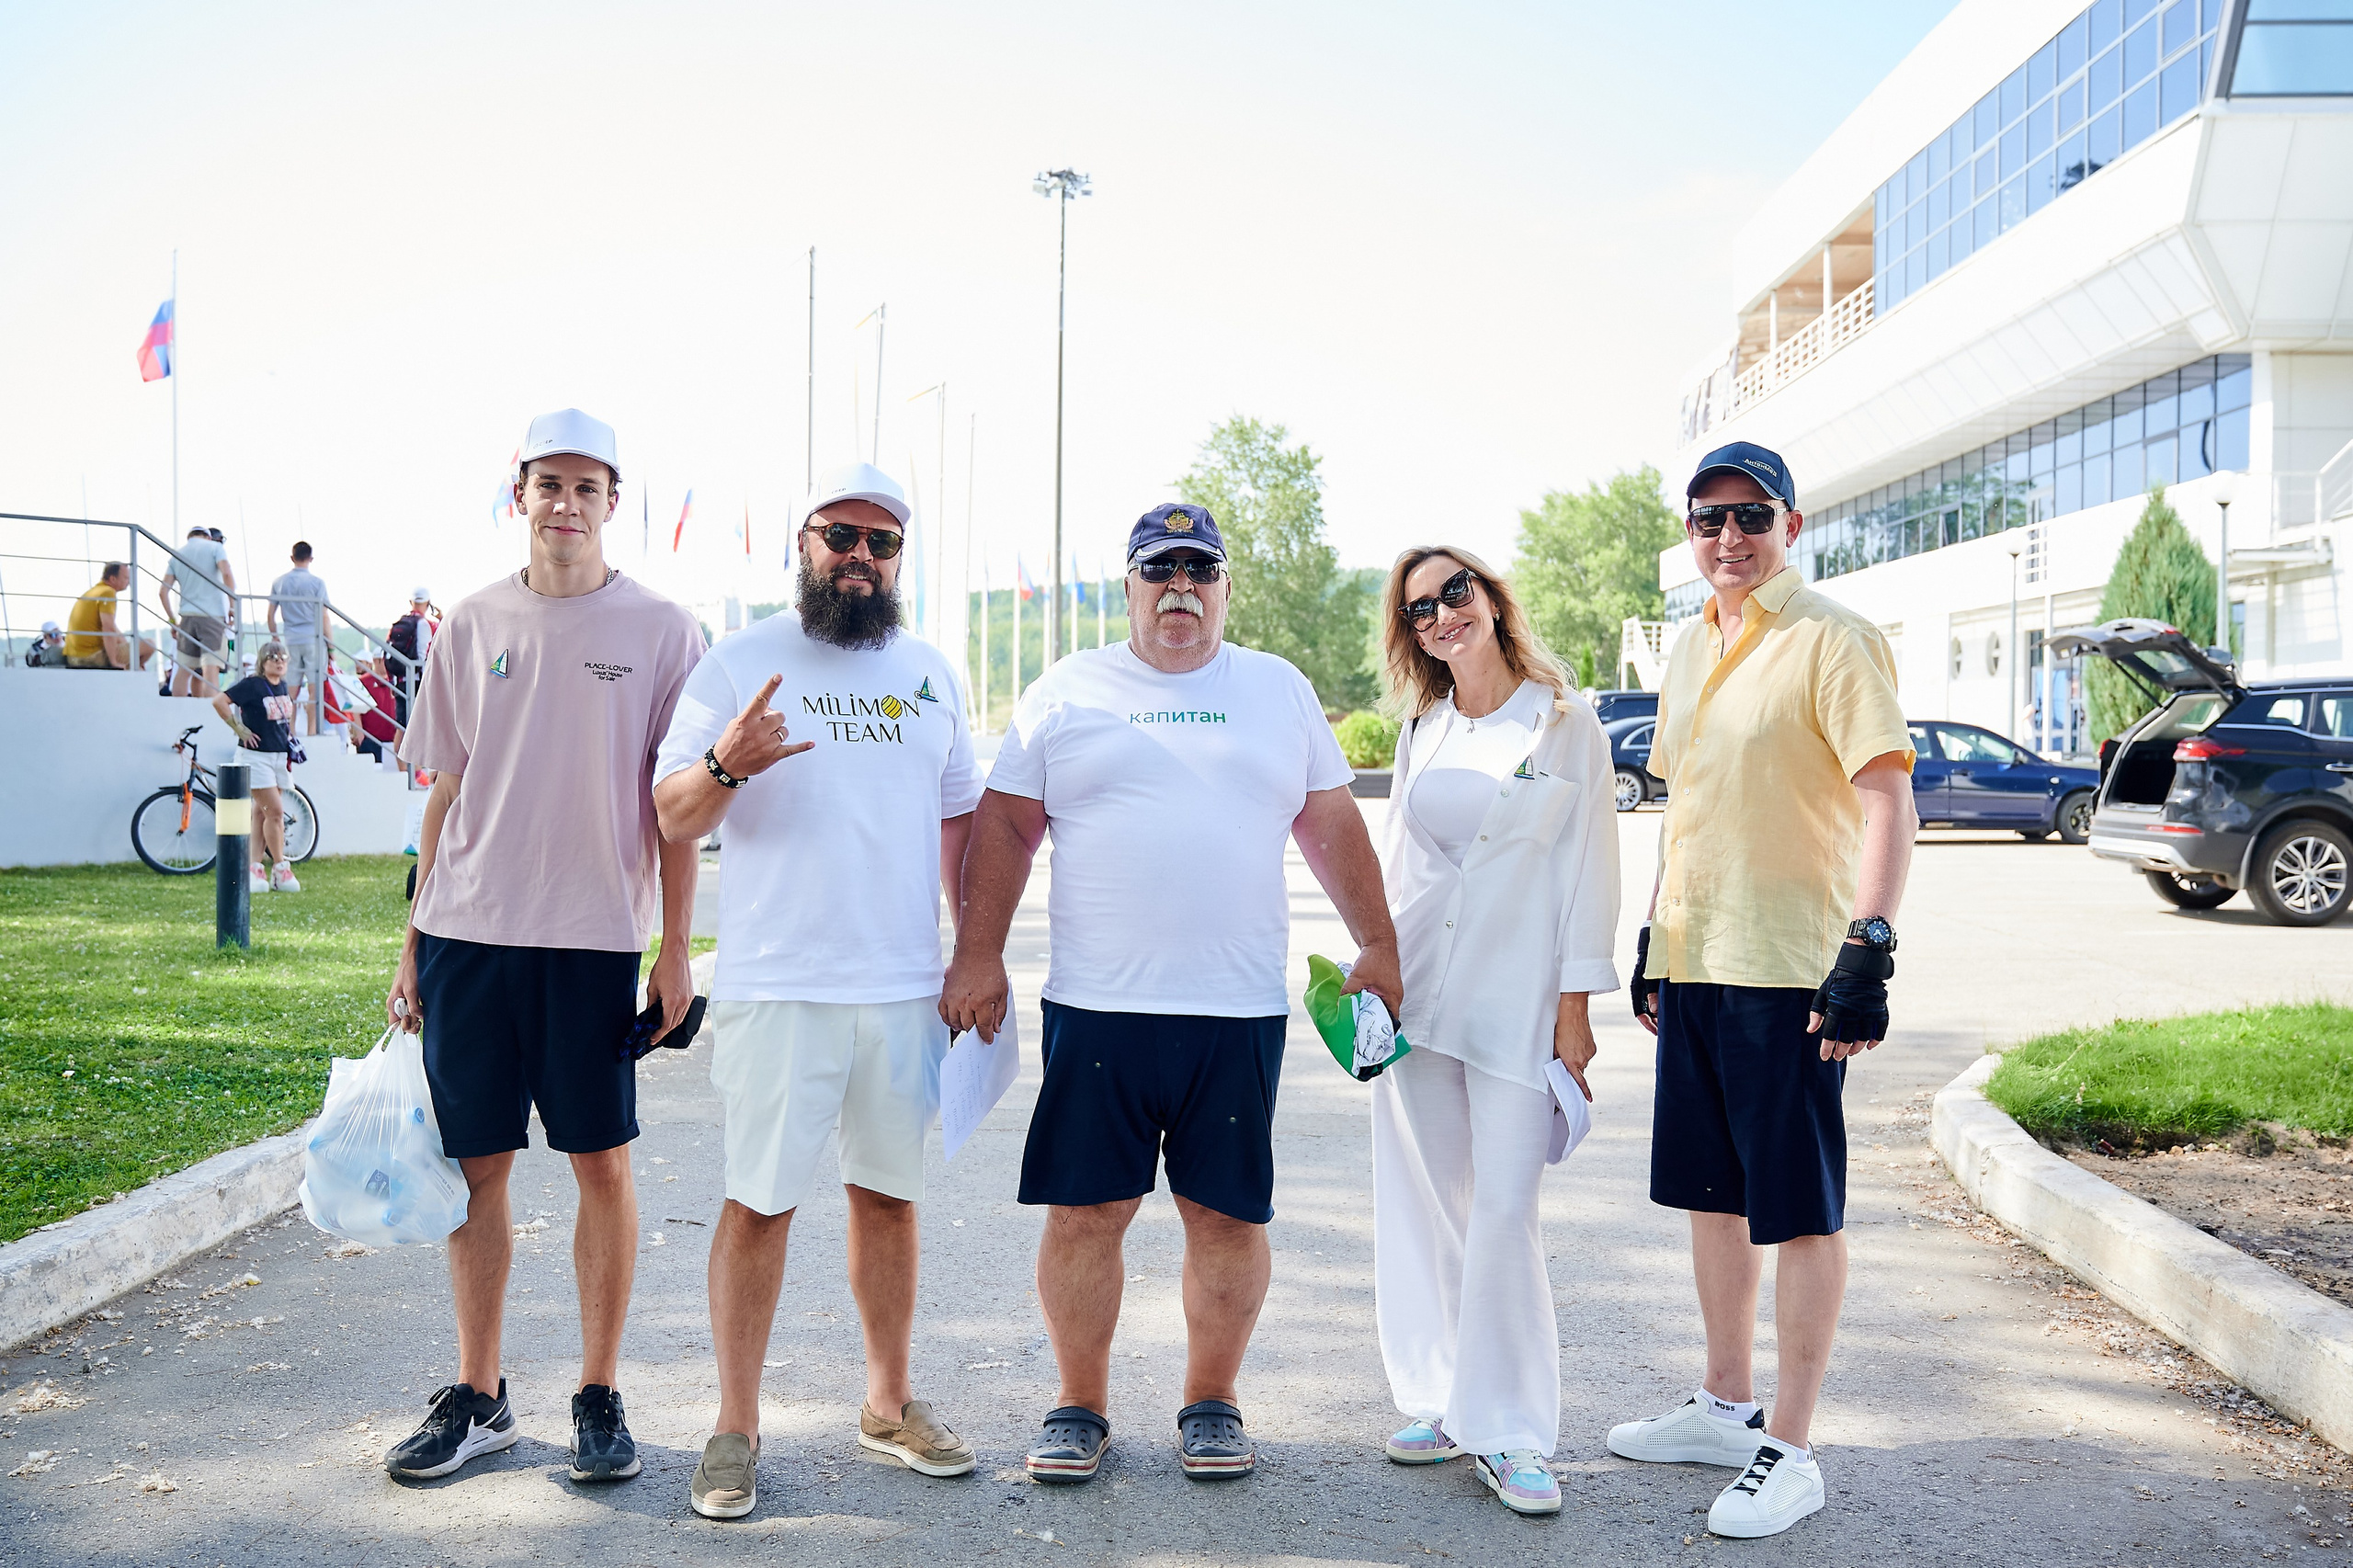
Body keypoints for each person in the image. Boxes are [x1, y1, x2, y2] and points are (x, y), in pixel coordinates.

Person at [941, 502, 1403, 1486]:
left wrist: (1377, 941)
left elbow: (1328, 825)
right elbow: (1006, 828)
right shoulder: (1066, 690)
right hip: (1097, 1005)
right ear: (1130, 586)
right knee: (1082, 1213)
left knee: (1225, 1216)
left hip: (1233, 1010)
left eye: (1200, 569)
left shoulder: (1277, 690)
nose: (1180, 586)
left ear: (1227, 587)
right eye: (1160, 569)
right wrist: (976, 951)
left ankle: (1212, 1400)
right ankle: (1079, 1403)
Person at [652, 461, 985, 1520]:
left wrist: (975, 953)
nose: (859, 556)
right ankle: (734, 1425)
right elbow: (669, 812)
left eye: (881, 542)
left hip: (899, 988)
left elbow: (961, 828)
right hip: (777, 984)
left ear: (900, 561)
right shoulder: (741, 659)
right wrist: (727, 760)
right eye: (840, 535)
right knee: (759, 1201)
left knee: (888, 1199)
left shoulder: (933, 671)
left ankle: (886, 1403)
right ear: (802, 543)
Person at [381, 408, 704, 1487]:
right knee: (478, 1168)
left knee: (600, 1163)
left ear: (614, 501)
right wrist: (411, 939)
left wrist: (674, 949)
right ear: (516, 492)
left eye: (586, 485)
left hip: (593, 941)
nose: (565, 503)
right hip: (470, 931)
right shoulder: (468, 622)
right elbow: (444, 791)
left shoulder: (664, 629)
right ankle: (481, 1396)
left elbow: (678, 810)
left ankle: (598, 1393)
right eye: (547, 483)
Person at [1606, 441, 1915, 1540]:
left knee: (1794, 1205)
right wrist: (1654, 932)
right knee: (1712, 1194)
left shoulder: (1833, 637)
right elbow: (1690, 804)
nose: (1727, 537)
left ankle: (1789, 1446)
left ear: (1791, 519)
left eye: (1749, 515)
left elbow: (1887, 801)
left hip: (1789, 966)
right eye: (1707, 519)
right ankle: (1726, 1405)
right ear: (1688, 534)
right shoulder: (1694, 643)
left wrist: (1867, 947)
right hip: (1698, 957)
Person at [1369, 546, 1619, 1517]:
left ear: (1491, 597)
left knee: (1503, 1211)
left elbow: (1590, 873)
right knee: (1431, 1202)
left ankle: (1509, 1426)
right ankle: (1443, 1398)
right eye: (1419, 606)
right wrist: (1374, 973)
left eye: (1454, 591)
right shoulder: (1421, 724)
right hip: (1420, 997)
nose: (1440, 615)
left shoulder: (1565, 725)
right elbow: (1401, 867)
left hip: (1517, 1001)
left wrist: (1575, 1009)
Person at [211, 641, 301, 892]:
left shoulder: (282, 685)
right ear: (263, 661)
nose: (279, 661)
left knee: (261, 812)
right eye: (273, 657)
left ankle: (255, 867)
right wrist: (238, 728)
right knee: (274, 811)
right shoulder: (252, 685)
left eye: (283, 657)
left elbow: (286, 718)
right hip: (256, 757)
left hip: (278, 755)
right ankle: (281, 866)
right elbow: (220, 701)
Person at [159, 526, 235, 697]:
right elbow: (227, 574)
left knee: (184, 670)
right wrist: (232, 606)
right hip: (211, 617)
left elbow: (163, 592)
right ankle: (210, 714)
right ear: (208, 537)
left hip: (186, 617)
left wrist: (172, 621)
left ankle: (180, 714)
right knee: (211, 670)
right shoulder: (216, 548)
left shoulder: (177, 554)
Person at [268, 541, 331, 735]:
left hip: (290, 640)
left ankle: (290, 732)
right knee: (314, 691)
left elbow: (270, 615)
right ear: (311, 558)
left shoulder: (279, 582)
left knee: (290, 691)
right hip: (313, 638)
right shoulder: (317, 583)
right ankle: (313, 732)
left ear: (292, 557)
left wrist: (275, 637)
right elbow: (324, 615)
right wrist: (331, 647)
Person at [62, 563, 156, 671]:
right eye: (126, 578)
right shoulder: (108, 593)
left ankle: (135, 667)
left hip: (74, 657)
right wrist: (113, 662)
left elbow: (113, 629)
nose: (129, 582)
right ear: (113, 579)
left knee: (135, 665)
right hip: (91, 657)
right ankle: (135, 669)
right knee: (150, 644)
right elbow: (108, 628)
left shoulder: (93, 592)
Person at [388, 586, 438, 726]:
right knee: (419, 727)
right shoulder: (423, 624)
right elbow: (422, 656)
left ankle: (398, 750)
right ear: (428, 603)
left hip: (400, 682)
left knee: (401, 727)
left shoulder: (399, 623)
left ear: (411, 602)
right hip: (416, 682)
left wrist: (392, 682)